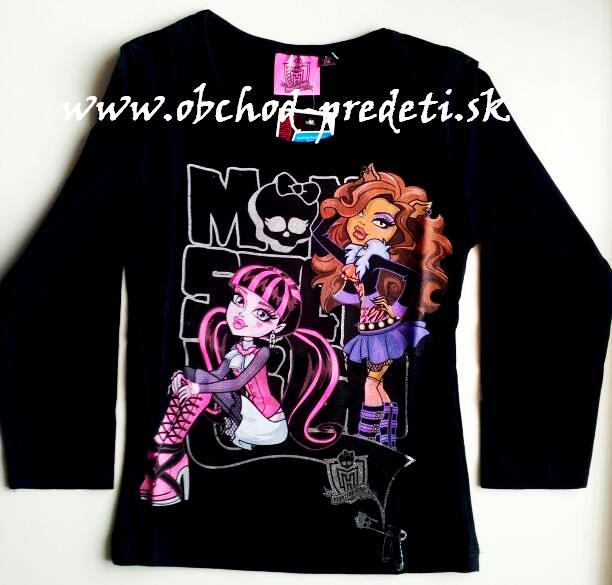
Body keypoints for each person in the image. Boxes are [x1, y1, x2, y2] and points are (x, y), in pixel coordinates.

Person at [140, 264, 340, 506]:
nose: (242, 314)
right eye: (239, 300)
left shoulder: (263, 352)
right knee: (195, 374)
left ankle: (170, 451)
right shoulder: (236, 349)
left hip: (266, 424)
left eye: (262, 314)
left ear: (277, 327)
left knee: (201, 381)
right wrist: (183, 375)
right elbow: (216, 374)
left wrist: (197, 387)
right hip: (245, 412)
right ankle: (167, 446)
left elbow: (236, 383)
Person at [311, 163, 452, 448]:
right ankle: (387, 438)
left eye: (381, 221)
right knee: (378, 383)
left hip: (382, 333)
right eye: (358, 213)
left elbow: (412, 279)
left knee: (370, 384)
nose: (362, 224)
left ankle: (368, 439)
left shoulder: (377, 259)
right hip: (370, 330)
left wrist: (396, 310)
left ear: (397, 231)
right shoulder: (355, 255)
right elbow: (319, 236)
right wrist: (336, 208)